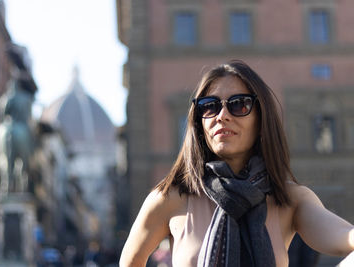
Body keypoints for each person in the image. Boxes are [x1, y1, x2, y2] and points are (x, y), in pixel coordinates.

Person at [119, 60, 354, 267]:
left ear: (261, 119)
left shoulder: (289, 199)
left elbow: (345, 236)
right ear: (199, 122)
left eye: (239, 104)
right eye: (209, 106)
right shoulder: (170, 198)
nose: (221, 115)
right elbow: (130, 262)